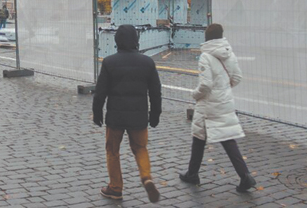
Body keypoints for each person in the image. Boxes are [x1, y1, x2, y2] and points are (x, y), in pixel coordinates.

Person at [179, 23, 257, 193]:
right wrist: (223, 89)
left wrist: (195, 94)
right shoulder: (229, 53)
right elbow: (237, 78)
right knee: (219, 137)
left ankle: (194, 174)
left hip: (208, 104)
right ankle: (244, 175)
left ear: (206, 38)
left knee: (203, 137)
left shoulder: (206, 56)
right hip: (224, 101)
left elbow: (205, 85)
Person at [92, 24, 162, 203]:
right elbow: (155, 92)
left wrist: (97, 112)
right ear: (136, 40)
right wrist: (155, 114)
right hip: (139, 116)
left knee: (112, 150)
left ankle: (115, 188)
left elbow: (101, 91)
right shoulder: (147, 62)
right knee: (140, 148)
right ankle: (146, 177)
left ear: (117, 41)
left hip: (115, 116)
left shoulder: (109, 62)